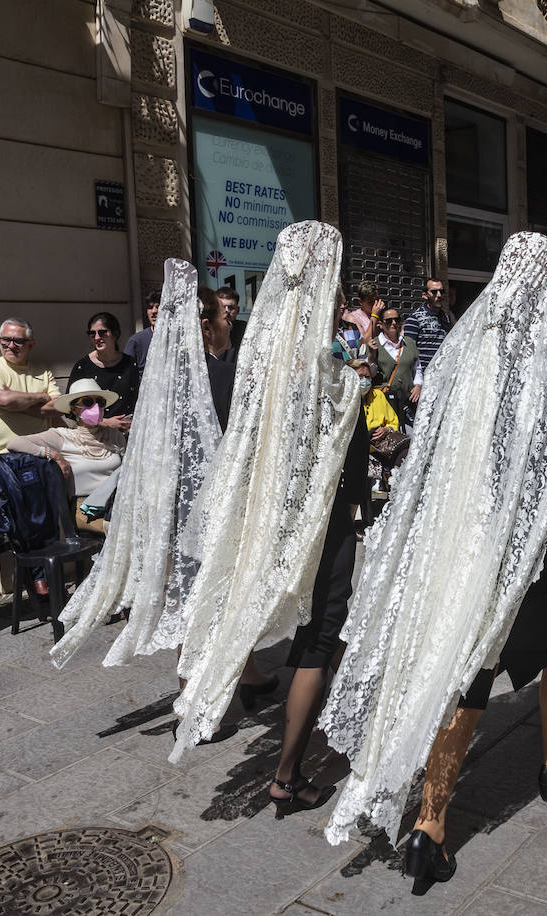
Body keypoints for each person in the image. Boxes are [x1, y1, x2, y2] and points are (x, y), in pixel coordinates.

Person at [320, 233, 547, 880]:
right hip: (520, 549)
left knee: (474, 673)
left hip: (457, 536)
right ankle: (537, 770)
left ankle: (437, 818)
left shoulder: (464, 354)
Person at [169, 220, 365, 778]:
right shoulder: (313, 353)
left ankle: (233, 684)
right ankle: (294, 766)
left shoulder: (262, 343)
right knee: (322, 634)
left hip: (277, 505)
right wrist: (356, 381)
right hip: (321, 513)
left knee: (294, 619)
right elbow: (327, 426)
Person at [52, 258, 226, 667]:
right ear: (204, 325)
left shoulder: (158, 381)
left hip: (174, 493)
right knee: (201, 588)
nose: (226, 326)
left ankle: (247, 673)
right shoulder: (216, 377)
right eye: (221, 318)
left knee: (202, 586)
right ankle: (191, 690)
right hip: (208, 497)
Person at [6, 379, 126, 535]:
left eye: (100, 402)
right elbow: (15, 443)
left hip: (117, 503)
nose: (95, 407)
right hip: (84, 508)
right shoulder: (62, 436)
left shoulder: (114, 436)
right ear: (74, 409)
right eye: (88, 402)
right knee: (120, 532)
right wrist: (52, 454)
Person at [0, 318, 63, 457]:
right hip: (5, 456)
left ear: (31, 344)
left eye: (18, 341)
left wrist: (17, 404)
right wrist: (41, 397)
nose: (11, 345)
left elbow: (59, 407)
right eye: (5, 340)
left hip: (43, 454)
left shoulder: (42, 370)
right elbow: (5, 400)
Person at [347, 359, 409, 493]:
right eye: (360, 377)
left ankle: (396, 489)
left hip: (383, 446)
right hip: (359, 449)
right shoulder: (346, 400)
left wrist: (386, 429)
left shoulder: (378, 395)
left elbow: (393, 421)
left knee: (405, 452)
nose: (364, 381)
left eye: (367, 377)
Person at [69, 311, 140, 425]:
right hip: (95, 435)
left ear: (115, 334)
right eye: (92, 333)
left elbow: (138, 401)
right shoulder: (82, 367)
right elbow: (72, 410)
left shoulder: (130, 364)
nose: (97, 337)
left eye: (102, 332)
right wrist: (105, 422)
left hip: (127, 435)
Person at [374, 305, 422, 422]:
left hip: (407, 400)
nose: (394, 323)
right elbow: (370, 373)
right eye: (389, 320)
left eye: (397, 319)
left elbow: (417, 369)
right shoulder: (374, 345)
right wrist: (370, 355)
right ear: (380, 324)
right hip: (384, 400)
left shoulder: (409, 343)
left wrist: (418, 386)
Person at [404, 278, 454, 374]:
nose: (439, 295)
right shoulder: (415, 317)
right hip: (423, 375)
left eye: (441, 291)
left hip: (442, 372)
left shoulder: (445, 317)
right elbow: (408, 351)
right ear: (425, 295)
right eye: (434, 292)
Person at [122, 289, 162, 371]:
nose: (154, 311)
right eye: (150, 307)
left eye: (158, 307)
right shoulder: (136, 341)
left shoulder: (178, 339)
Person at [214, 287, 244, 361]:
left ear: (238, 310)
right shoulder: (207, 330)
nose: (226, 311)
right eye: (222, 307)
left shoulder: (246, 330)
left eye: (231, 307)